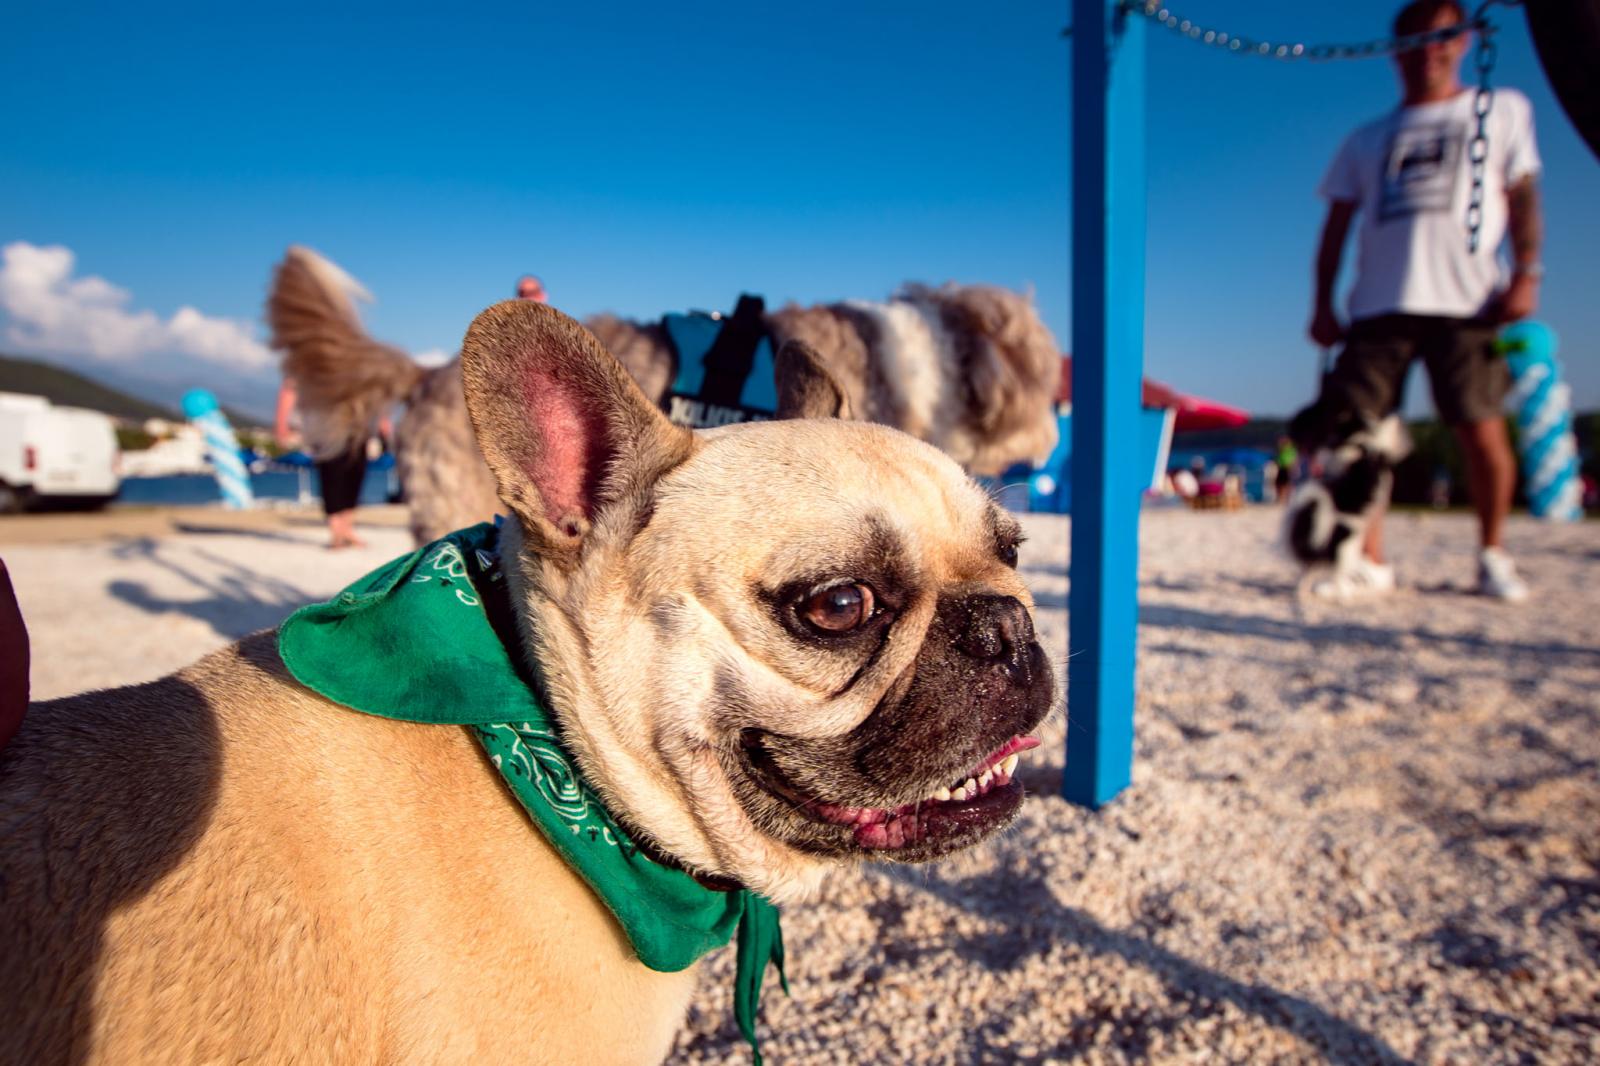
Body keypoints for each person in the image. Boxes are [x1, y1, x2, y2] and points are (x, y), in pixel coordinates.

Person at [1301, 0, 1542, 602]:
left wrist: (1528, 272)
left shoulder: (1501, 110)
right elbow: (1335, 228)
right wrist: (1323, 303)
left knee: (1481, 428)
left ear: (1462, 43)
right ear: (1396, 50)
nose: (1426, 52)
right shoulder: (1369, 138)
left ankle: (1492, 553)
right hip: (1380, 305)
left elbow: (1524, 198)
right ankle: (1365, 558)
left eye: (1440, 38)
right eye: (1413, 41)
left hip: (1468, 302)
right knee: (1357, 438)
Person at [275, 378, 388, 550]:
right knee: (331, 475)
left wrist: (382, 420)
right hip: (325, 425)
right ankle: (336, 530)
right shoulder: (313, 358)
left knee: (355, 475)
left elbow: (375, 391)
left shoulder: (359, 358)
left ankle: (347, 528)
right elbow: (290, 387)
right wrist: (282, 423)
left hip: (358, 424)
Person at [1273, 437, 1298, 503]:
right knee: (1279, 483)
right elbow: (1278, 459)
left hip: (1287, 468)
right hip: (1282, 468)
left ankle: (1286, 499)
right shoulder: (1281, 450)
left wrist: (1292, 466)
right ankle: (1281, 498)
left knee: (1286, 484)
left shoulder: (1291, 450)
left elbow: (1294, 459)